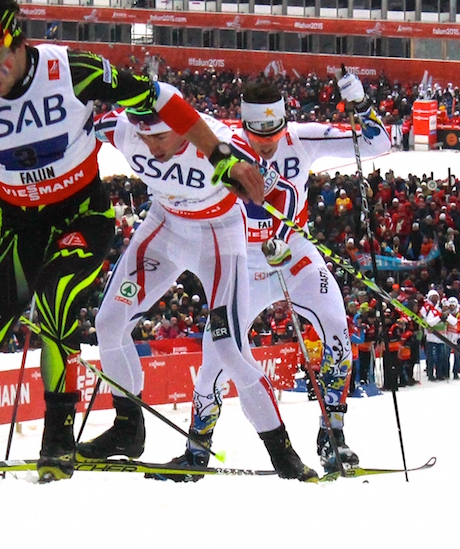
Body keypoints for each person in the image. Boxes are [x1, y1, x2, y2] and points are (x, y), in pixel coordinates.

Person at [0, 0, 263, 484]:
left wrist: (220, 153)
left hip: (80, 219)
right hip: (15, 230)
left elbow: (158, 97)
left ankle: (58, 442)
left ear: (18, 42)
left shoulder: (71, 70)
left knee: (55, 304)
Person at [79, 100, 318, 482]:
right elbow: (80, 125)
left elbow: (284, 193)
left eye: (160, 135)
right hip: (164, 227)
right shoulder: (125, 131)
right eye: (145, 136)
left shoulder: (218, 142)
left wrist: (283, 230)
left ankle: (283, 453)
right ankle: (127, 428)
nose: (153, 147)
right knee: (109, 323)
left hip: (219, 238)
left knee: (228, 348)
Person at [229, 75, 389, 472]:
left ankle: (333, 434)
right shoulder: (222, 144)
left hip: (293, 250)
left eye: (274, 130)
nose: (266, 143)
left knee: (336, 325)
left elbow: (378, 144)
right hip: (242, 259)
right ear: (243, 124)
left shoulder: (303, 138)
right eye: (256, 133)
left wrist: (362, 104)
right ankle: (199, 441)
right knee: (221, 349)